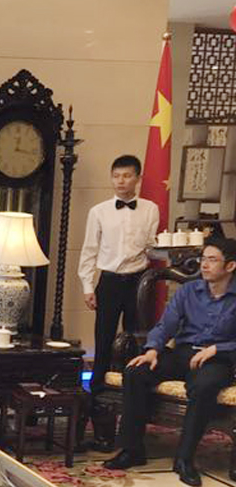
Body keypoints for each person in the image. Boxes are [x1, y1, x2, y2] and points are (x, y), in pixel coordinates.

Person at [104, 237, 236, 487]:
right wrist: (153, 349)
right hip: (184, 353)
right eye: (203, 259)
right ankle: (132, 450)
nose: (204, 265)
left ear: (230, 266)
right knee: (136, 371)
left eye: (212, 260)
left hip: (219, 359)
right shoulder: (189, 291)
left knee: (204, 386)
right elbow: (166, 325)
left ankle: (184, 459)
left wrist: (218, 348)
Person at [78, 155, 159, 449]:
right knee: (104, 339)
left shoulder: (150, 208)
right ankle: (98, 399)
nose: (121, 181)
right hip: (110, 281)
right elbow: (89, 250)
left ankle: (133, 396)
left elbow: (152, 247)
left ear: (138, 178)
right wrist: (88, 286)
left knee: (137, 339)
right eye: (116, 176)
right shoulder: (99, 211)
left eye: (126, 176)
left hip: (139, 280)